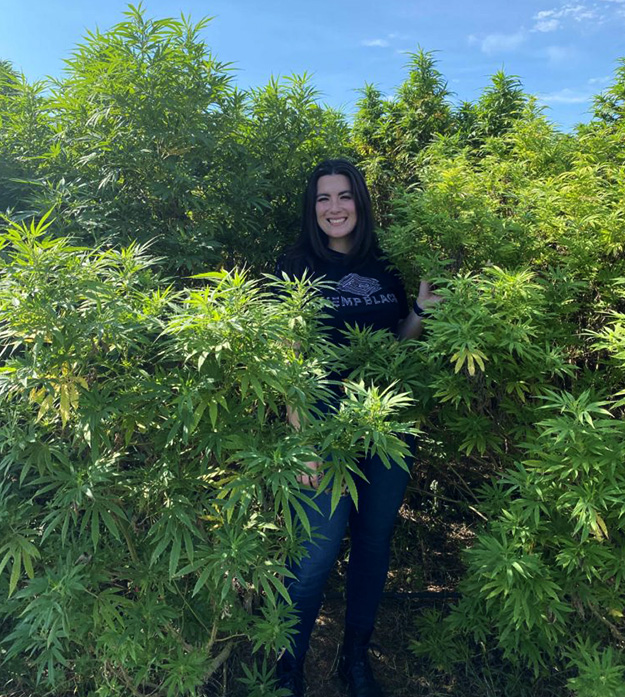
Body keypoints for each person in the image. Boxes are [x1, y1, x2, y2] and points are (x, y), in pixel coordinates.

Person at [275, 159, 441, 697]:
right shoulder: (294, 266)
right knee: (319, 547)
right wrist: (300, 439)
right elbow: (287, 360)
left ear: (360, 203)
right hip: (322, 425)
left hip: (386, 425)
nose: (334, 208)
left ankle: (355, 658)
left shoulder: (384, 267)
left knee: (373, 539)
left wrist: (417, 309)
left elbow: (397, 348)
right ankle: (288, 665)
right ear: (312, 208)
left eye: (344, 196)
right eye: (323, 198)